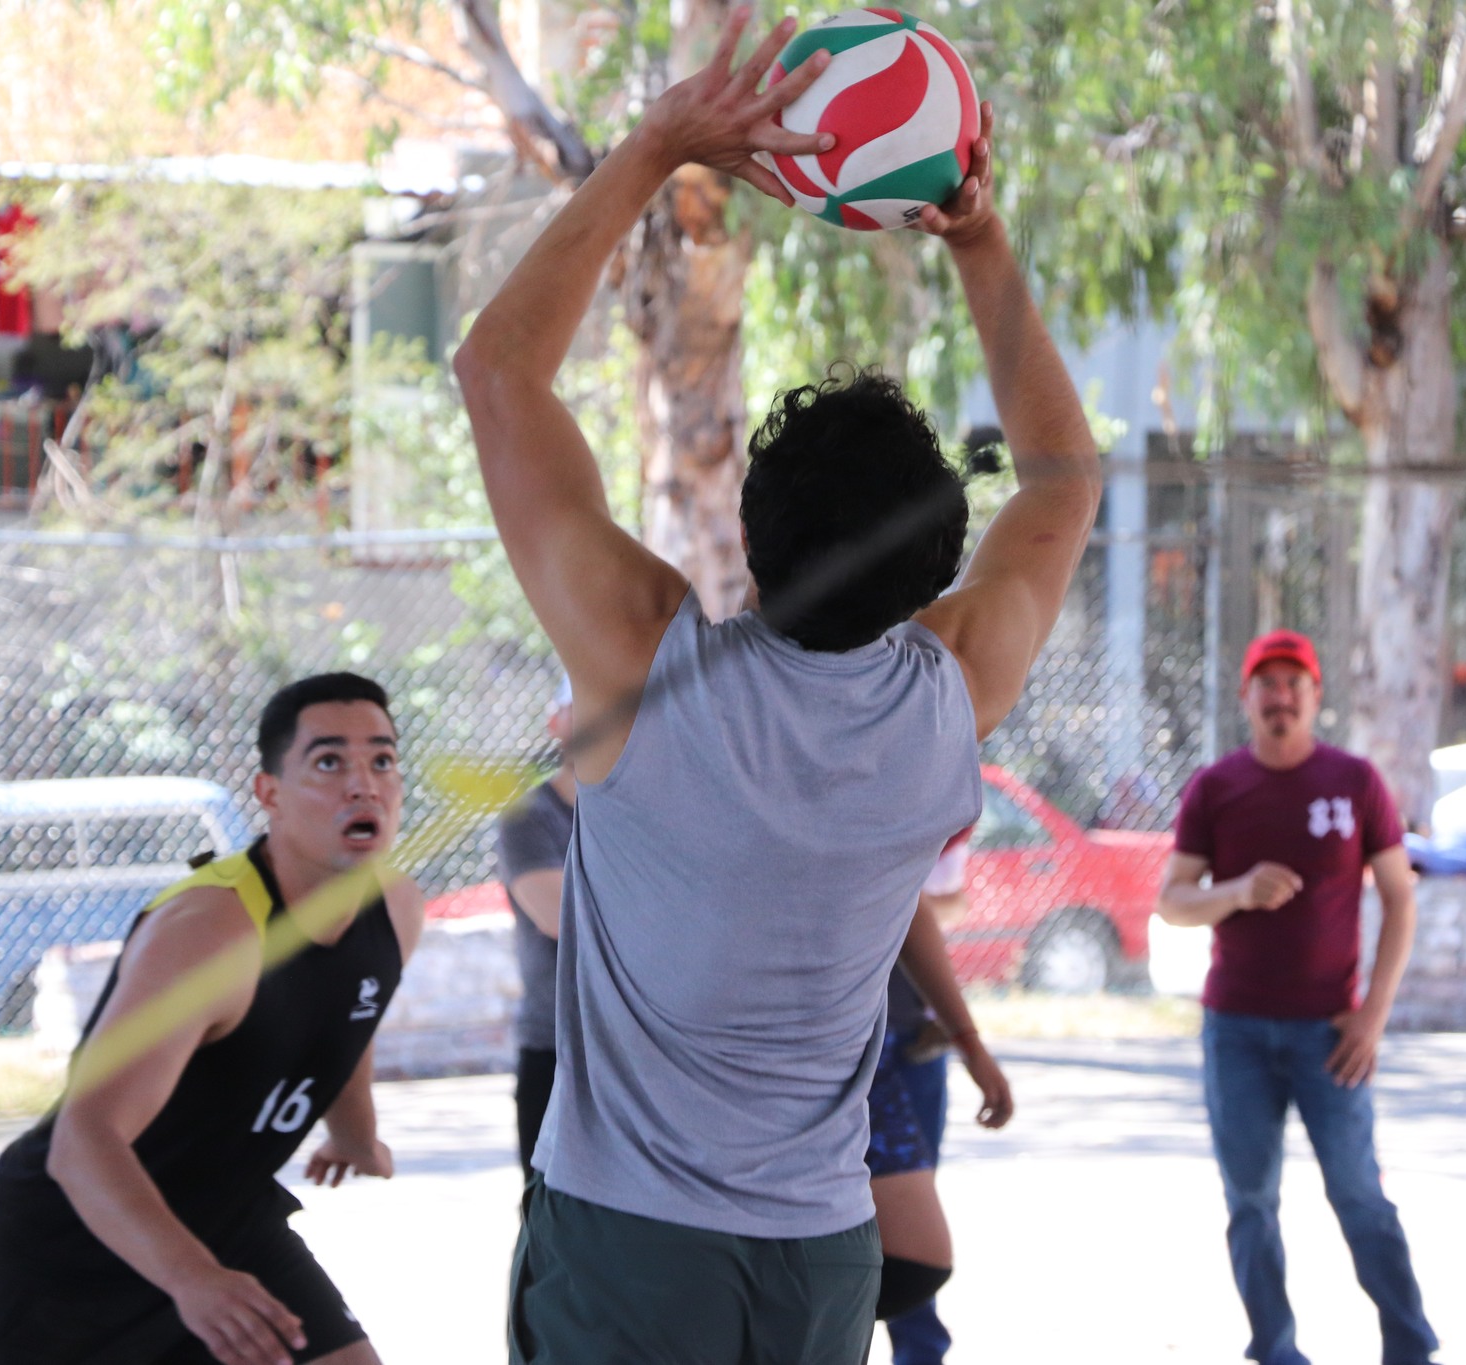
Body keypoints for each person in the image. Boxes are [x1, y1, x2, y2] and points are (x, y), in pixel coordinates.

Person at [452, 10, 1101, 1361]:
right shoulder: (954, 691)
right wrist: (980, 243)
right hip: (818, 1249)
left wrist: (658, 146)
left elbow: (499, 373)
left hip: (631, 1245)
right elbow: (1062, 479)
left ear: (752, 532)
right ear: (935, 573)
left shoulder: (647, 665)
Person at [0, 673, 427, 1365]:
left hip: (227, 1221)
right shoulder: (211, 931)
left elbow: (347, 1014)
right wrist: (192, 1279)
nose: (363, 784)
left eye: (382, 759)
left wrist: (357, 1134)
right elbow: (82, 1139)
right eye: (328, 761)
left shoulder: (395, 908)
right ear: (269, 794)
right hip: (79, 1243)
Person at [1154, 630, 1438, 1365]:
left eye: (1294, 685)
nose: (1281, 698)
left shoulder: (1355, 782)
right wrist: (1239, 890)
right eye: (1267, 685)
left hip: (1331, 1034)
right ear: (1247, 698)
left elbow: (1401, 900)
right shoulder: (1217, 787)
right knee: (1250, 1198)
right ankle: (1275, 1348)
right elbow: (1173, 901)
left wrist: (1374, 1014)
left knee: (1358, 1193)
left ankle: (1410, 1344)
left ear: (1316, 698)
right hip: (1237, 1030)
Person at [869, 832, 1011, 1361]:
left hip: (890, 1041)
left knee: (910, 1256)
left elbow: (913, 900)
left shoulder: (878, 807)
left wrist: (966, 1040)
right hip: (759, 1063)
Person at [498, 677, 576, 1181]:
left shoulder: (661, 811)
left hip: (646, 1047)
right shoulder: (529, 815)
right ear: (556, 723)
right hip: (557, 1044)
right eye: (583, 706)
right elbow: (559, 917)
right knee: (547, 1218)